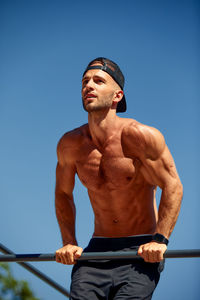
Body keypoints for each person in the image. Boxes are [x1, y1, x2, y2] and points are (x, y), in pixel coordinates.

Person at [55, 57, 183, 299]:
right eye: (85, 81)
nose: (88, 86)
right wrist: (69, 241)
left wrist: (160, 239)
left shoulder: (140, 136)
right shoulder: (71, 144)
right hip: (97, 251)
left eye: (98, 81)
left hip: (141, 251)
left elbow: (173, 186)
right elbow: (63, 192)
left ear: (117, 96)